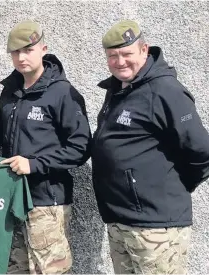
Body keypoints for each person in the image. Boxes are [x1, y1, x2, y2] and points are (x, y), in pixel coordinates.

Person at [0, 20, 91, 274]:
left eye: (28, 50)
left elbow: (81, 147)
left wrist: (33, 165)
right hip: (13, 200)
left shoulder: (63, 93)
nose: (22, 57)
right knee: (15, 270)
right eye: (16, 52)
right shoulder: (11, 91)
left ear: (43, 49)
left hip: (47, 203)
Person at [91, 20, 209, 274]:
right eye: (112, 56)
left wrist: (170, 187)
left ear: (144, 50)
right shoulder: (117, 90)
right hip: (122, 221)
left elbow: (202, 151)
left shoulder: (165, 91)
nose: (120, 61)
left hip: (156, 228)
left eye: (126, 54)